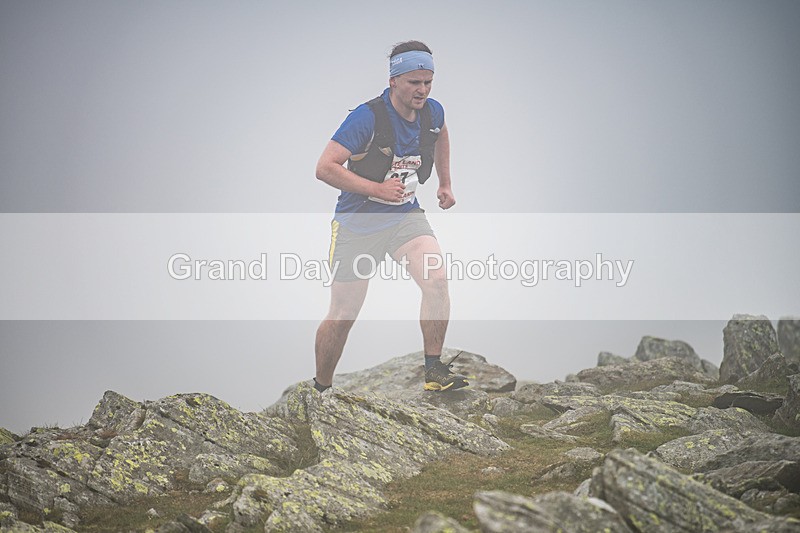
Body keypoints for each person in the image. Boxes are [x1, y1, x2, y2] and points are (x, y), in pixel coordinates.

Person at [313, 40, 468, 393]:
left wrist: (445, 183)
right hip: (358, 224)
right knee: (343, 315)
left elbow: (441, 133)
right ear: (394, 80)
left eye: (428, 82)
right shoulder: (366, 118)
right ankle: (321, 389)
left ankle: (434, 370)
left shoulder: (432, 112)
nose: (422, 90)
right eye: (414, 82)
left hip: (404, 217)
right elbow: (324, 167)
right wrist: (376, 189)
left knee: (437, 280)